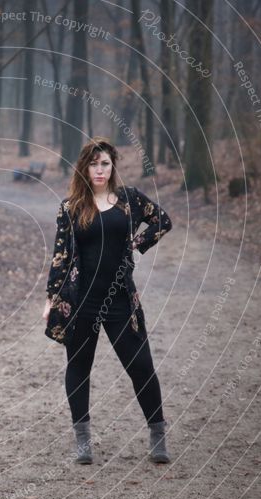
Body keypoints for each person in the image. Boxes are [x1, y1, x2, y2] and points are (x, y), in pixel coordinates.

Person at [42, 137, 173, 465]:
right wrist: (51, 298)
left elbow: (162, 221)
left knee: (141, 365)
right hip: (81, 300)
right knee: (79, 367)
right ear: (84, 167)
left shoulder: (128, 200)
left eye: (105, 163)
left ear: (112, 166)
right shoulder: (71, 207)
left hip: (121, 300)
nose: (99, 170)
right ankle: (83, 440)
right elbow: (60, 256)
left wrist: (136, 244)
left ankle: (157, 433)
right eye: (93, 163)